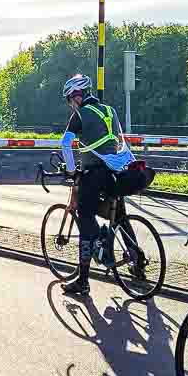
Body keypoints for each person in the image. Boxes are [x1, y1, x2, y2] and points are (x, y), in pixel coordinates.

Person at [59, 74, 137, 297]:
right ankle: (138, 261)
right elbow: (119, 140)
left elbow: (66, 144)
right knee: (120, 216)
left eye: (69, 100)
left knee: (84, 217)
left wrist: (72, 171)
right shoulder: (110, 110)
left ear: (77, 96)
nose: (70, 105)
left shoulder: (80, 115)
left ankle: (83, 281)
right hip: (117, 173)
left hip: (95, 174)